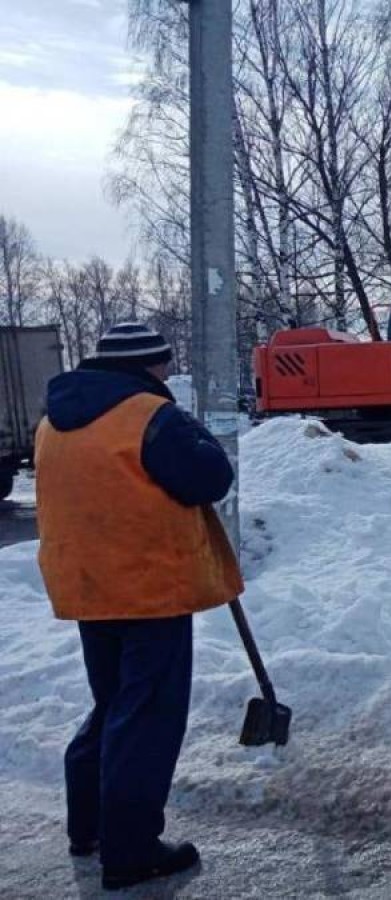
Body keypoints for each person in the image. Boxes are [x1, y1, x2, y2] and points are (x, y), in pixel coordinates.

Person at [34, 323, 240, 892]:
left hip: (86, 584)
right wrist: (193, 430)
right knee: (146, 713)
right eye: (166, 367)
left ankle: (92, 827)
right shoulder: (150, 416)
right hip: (149, 586)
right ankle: (130, 850)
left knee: (113, 703)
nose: (170, 375)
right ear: (149, 366)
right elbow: (210, 478)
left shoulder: (55, 420)